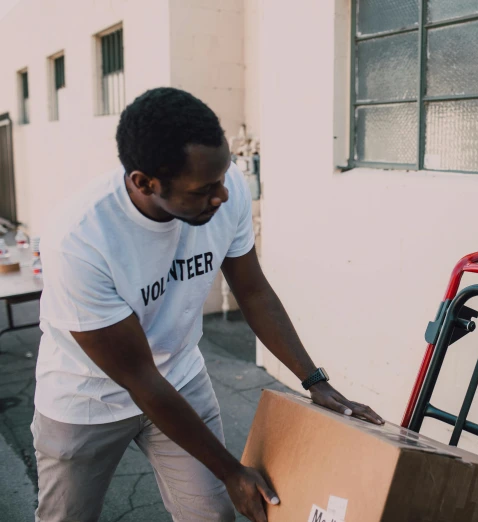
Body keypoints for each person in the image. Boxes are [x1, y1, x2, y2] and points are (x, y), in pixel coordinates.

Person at [32, 87, 383, 522]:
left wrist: (314, 381)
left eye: (222, 179)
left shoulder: (223, 185)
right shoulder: (80, 240)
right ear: (145, 182)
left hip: (179, 377)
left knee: (212, 516)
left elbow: (253, 291)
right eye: (203, 191)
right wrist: (231, 470)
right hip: (86, 397)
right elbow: (141, 379)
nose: (222, 197)